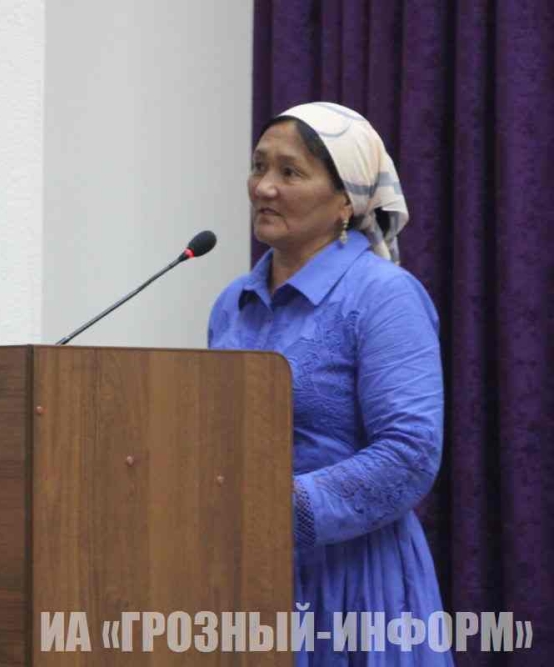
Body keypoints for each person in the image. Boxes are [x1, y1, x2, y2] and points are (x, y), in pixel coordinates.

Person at [207, 102, 453, 666]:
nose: (264, 187)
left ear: (347, 201)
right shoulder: (232, 303)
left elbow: (410, 454)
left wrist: (278, 509)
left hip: (354, 581)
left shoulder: (384, 296)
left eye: (289, 172)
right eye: (258, 166)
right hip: (242, 572)